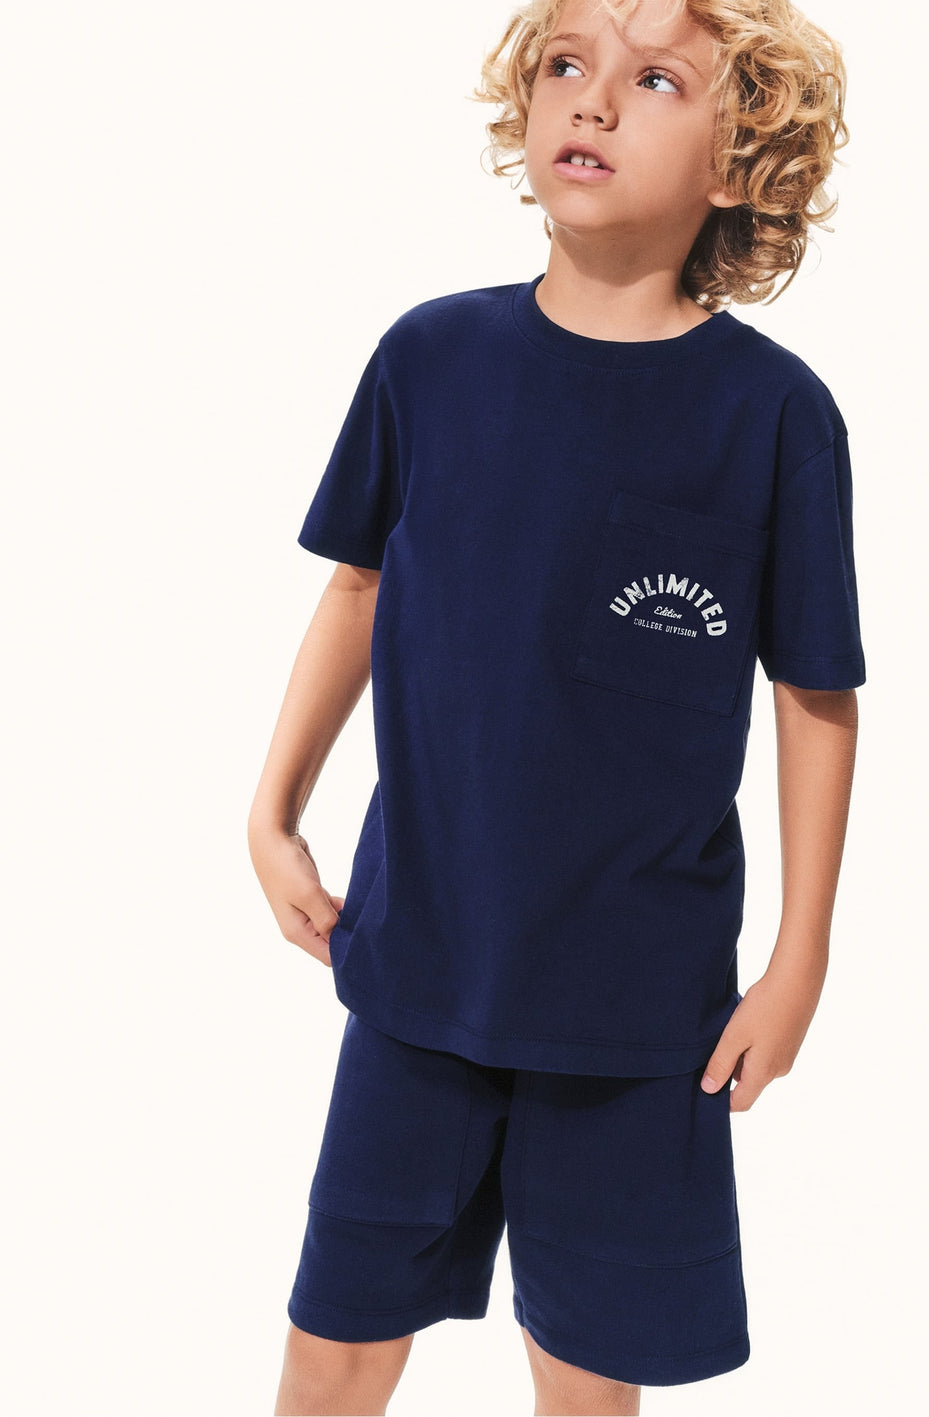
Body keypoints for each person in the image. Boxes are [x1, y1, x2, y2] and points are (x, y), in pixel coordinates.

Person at [248, 0, 866, 1410]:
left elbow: (815, 694)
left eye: (655, 80)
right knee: (335, 1344)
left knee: (587, 1378)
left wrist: (801, 959)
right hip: (415, 967)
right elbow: (357, 588)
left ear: (739, 158)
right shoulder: (428, 359)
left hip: (640, 1014)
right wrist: (272, 810)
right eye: (566, 65)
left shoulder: (775, 419)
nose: (591, 101)